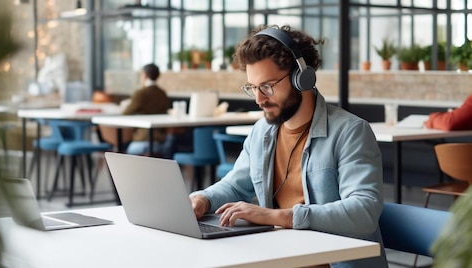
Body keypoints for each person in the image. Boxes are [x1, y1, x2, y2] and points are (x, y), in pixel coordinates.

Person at [189, 25, 387, 267]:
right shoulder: (261, 132)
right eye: (253, 88)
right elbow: (236, 187)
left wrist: (278, 216)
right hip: (279, 259)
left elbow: (363, 212)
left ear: (301, 77)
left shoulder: (350, 132)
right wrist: (203, 199)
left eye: (267, 86)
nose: (260, 99)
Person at [122, 63, 172, 157]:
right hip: (161, 140)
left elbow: (126, 113)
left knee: (126, 152)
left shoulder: (140, 93)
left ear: (144, 75)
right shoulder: (163, 94)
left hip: (143, 139)